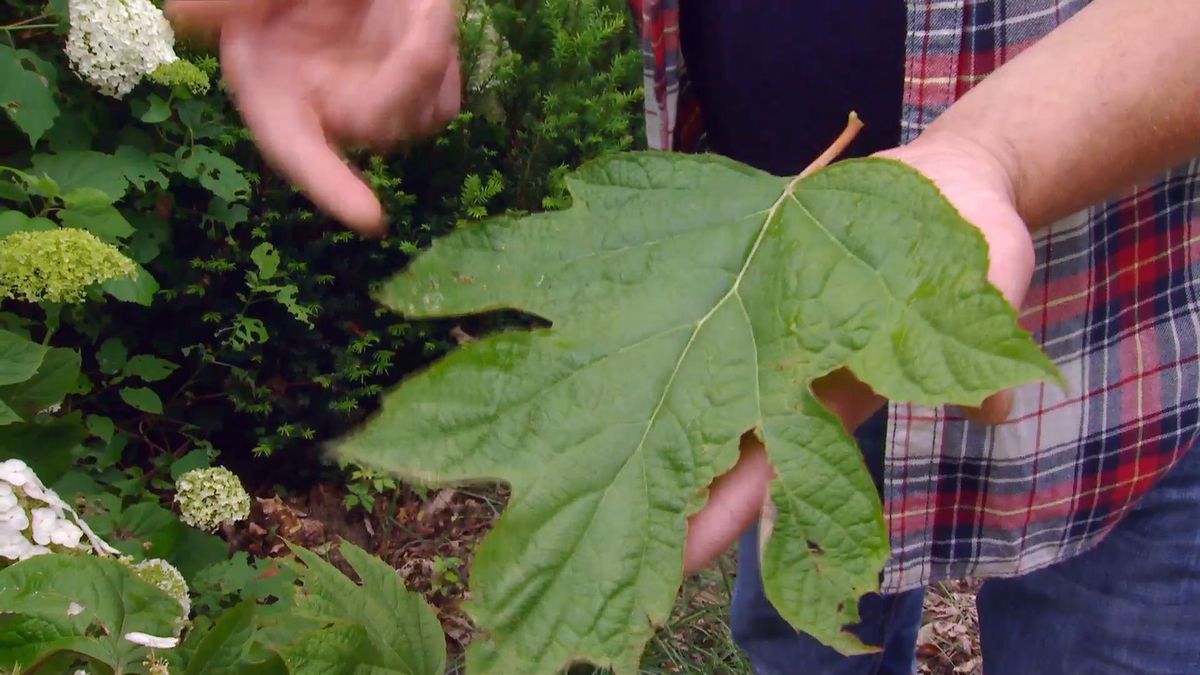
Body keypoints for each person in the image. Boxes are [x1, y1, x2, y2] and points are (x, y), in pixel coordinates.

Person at [164, 1, 1200, 673]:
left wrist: (995, 149)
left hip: (1122, 325)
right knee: (797, 636)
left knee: (1106, 641)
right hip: (776, 335)